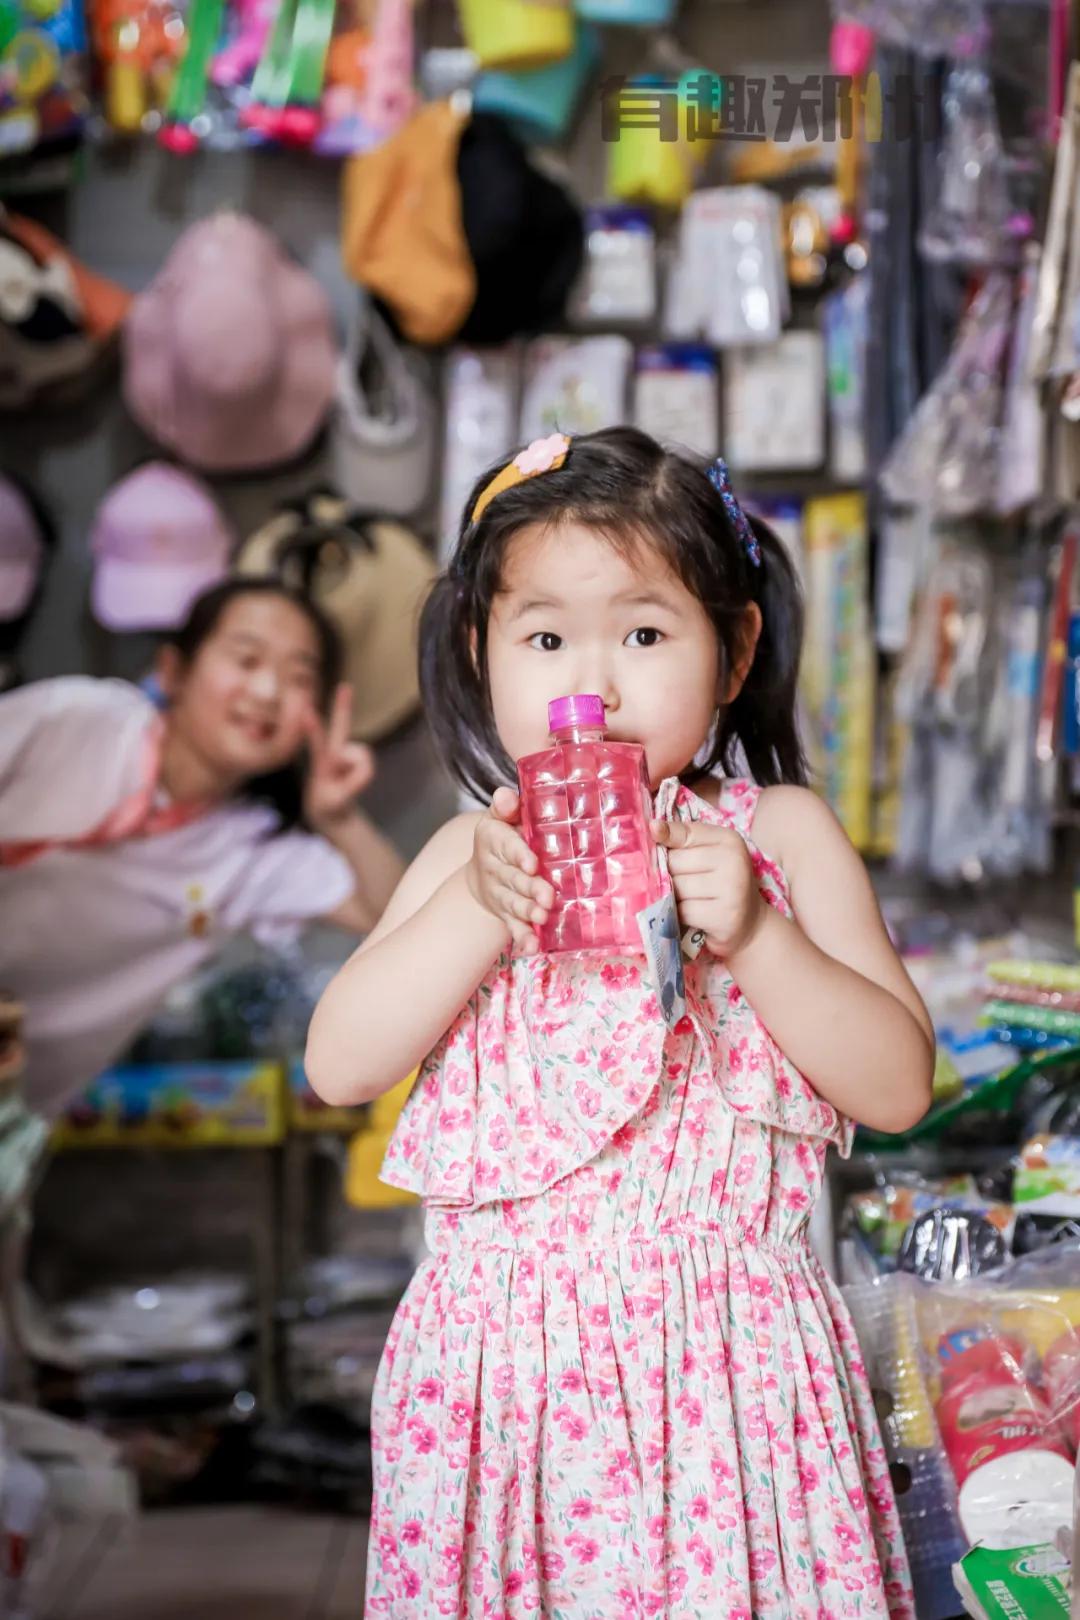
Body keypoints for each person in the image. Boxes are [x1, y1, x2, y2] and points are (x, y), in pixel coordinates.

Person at [306, 427, 933, 1618]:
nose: (587, 685)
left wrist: (760, 935)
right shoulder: (464, 854)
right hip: (503, 1388)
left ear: (734, 649)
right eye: (544, 639)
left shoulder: (779, 837)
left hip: (731, 1383)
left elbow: (898, 1087)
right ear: (482, 651)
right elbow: (339, 1064)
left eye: (645, 635)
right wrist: (476, 915)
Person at [0, 578, 404, 1119]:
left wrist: (339, 820)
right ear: (174, 671)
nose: (266, 692)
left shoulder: (251, 849)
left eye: (298, 677)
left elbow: (397, 919)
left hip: (14, 1101)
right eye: (246, 658)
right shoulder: (74, 719)